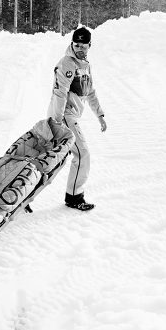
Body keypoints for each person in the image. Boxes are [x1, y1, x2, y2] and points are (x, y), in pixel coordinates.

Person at [48, 26, 107, 211]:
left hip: (70, 116)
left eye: (84, 46)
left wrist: (100, 115)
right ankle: (74, 197)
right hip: (64, 116)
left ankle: (26, 197)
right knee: (82, 154)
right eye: (77, 45)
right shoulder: (67, 63)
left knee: (52, 159)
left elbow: (90, 92)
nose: (80, 49)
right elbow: (60, 92)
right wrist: (57, 121)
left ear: (90, 46)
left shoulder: (86, 66)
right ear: (72, 44)